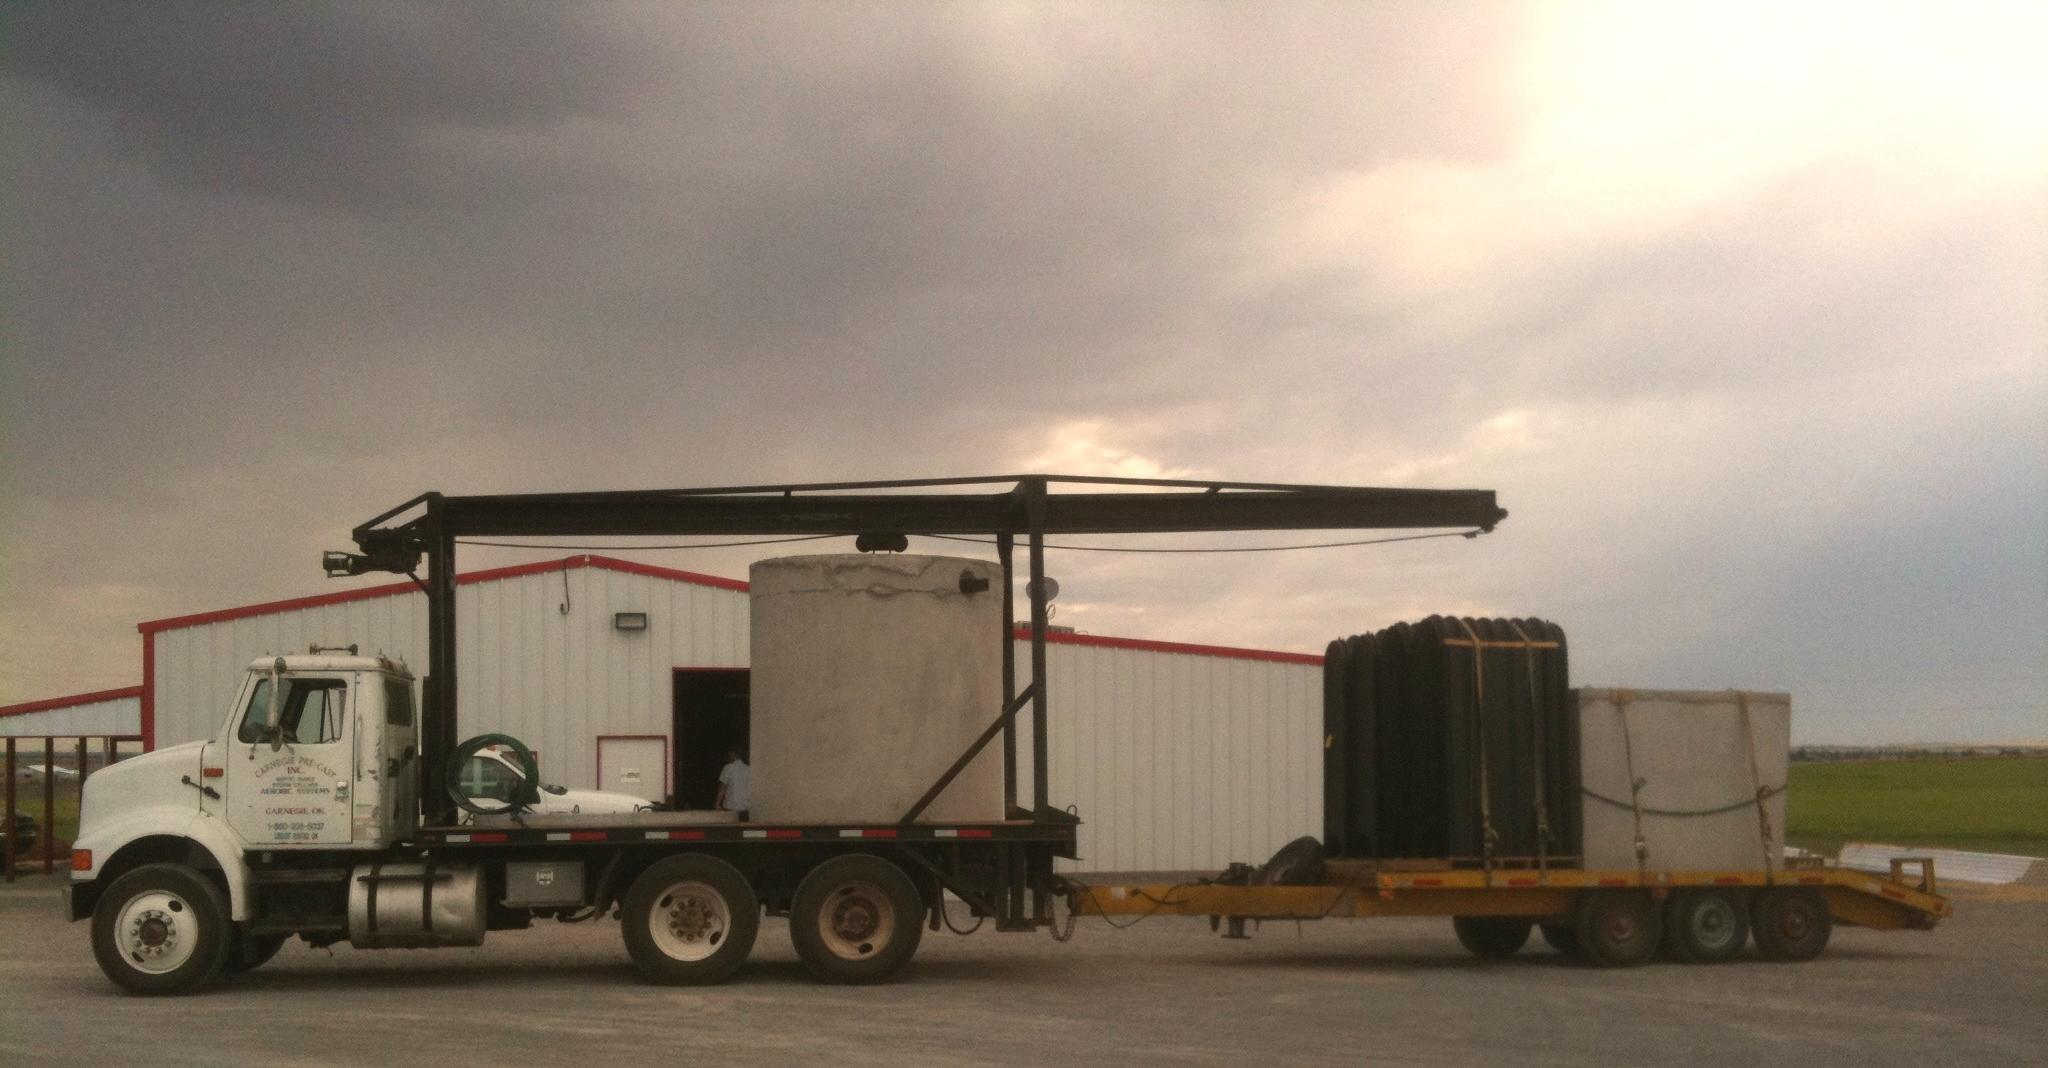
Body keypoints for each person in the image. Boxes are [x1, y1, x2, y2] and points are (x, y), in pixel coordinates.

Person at [715, 747, 749, 821]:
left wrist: (717, 803)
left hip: (730, 807)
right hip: (745, 807)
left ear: (733, 755)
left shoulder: (727, 768)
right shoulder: (748, 769)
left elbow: (723, 788)